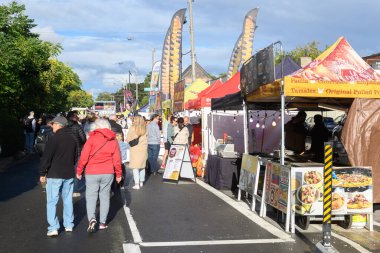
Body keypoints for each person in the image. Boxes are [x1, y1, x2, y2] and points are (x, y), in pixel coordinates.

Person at [76, 119, 122, 232]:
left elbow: (84, 156)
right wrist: (118, 174)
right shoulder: (113, 140)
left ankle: (92, 219)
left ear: (97, 127)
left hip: (92, 171)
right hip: (108, 171)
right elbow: (117, 159)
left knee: (91, 197)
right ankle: (102, 223)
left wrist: (79, 171)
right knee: (105, 197)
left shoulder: (91, 138)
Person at [39, 116, 77, 237]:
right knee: (67, 199)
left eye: (53, 124)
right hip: (69, 173)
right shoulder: (72, 138)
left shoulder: (53, 138)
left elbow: (46, 157)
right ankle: (69, 224)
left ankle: (53, 227)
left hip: (54, 173)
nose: (52, 126)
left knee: (51, 201)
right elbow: (76, 156)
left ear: (59, 125)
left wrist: (42, 173)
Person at [67, 111, 87, 197]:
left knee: (67, 171)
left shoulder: (64, 126)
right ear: (73, 117)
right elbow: (83, 139)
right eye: (75, 116)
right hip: (77, 151)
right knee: (76, 171)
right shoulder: (77, 126)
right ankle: (74, 190)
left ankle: (67, 188)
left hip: (66, 151)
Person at [126, 115, 148, 189]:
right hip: (143, 149)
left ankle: (137, 183)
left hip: (135, 149)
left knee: (135, 167)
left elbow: (128, 138)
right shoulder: (145, 128)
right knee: (142, 166)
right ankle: (141, 181)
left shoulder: (132, 128)